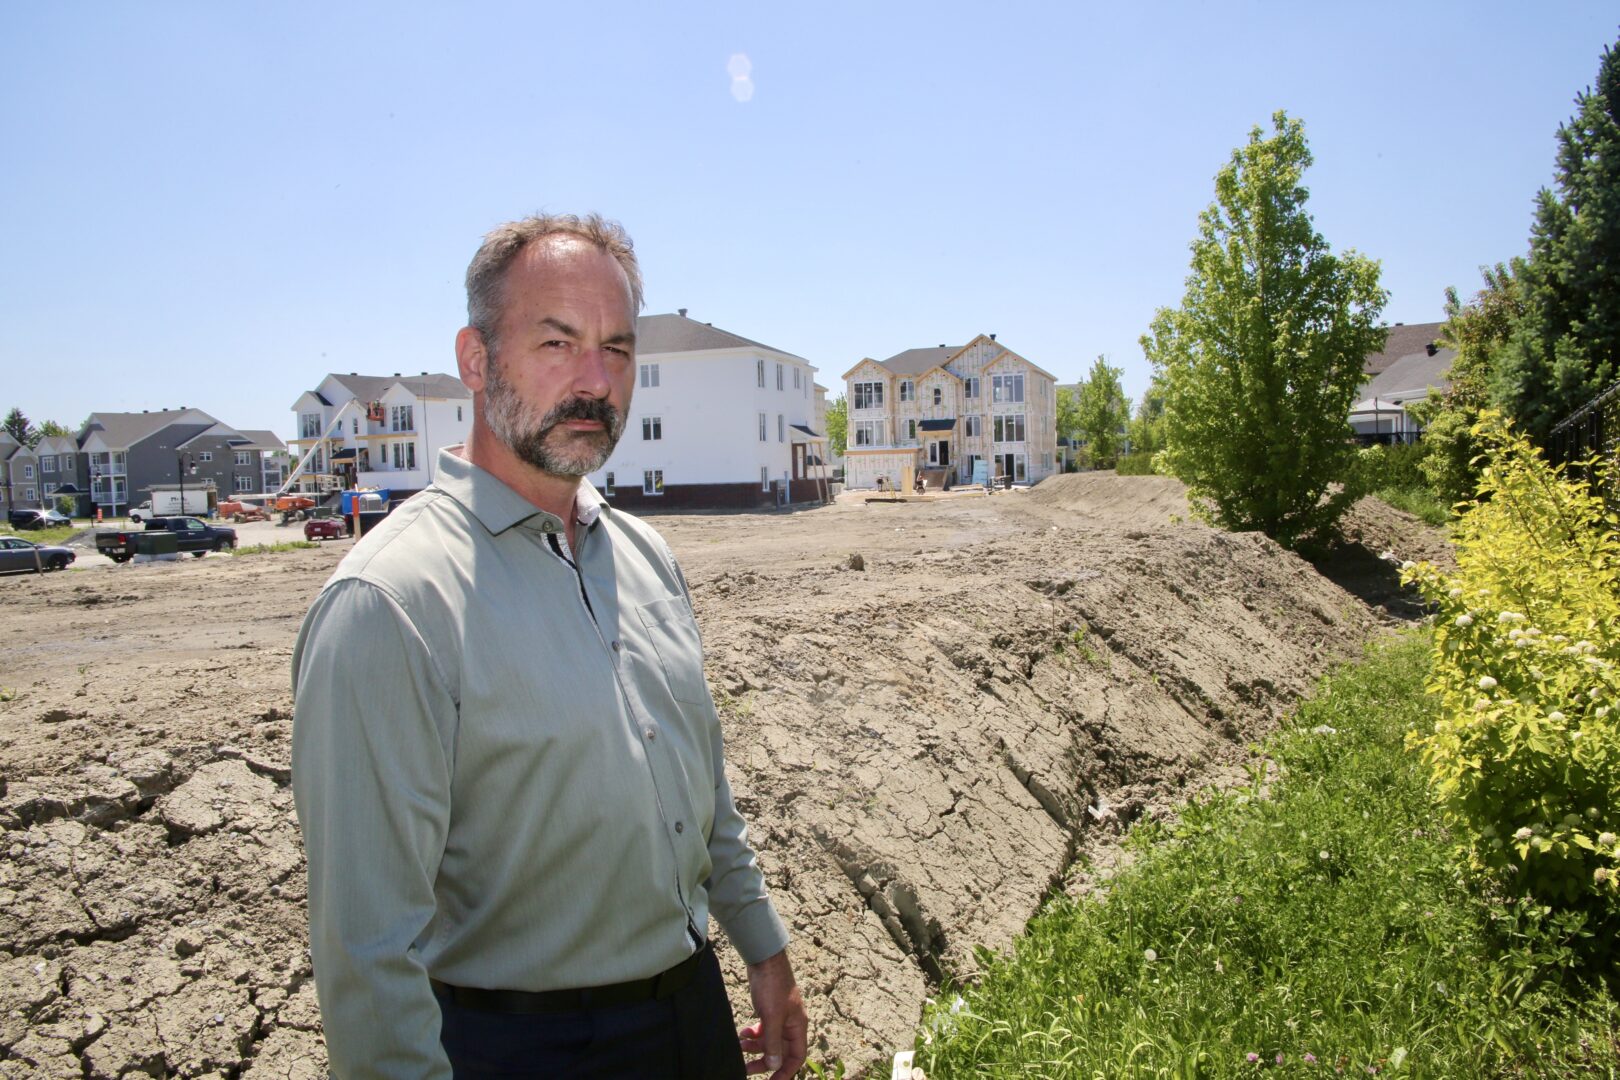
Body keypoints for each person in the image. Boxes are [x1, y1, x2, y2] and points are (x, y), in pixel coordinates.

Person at [291, 213, 807, 1079]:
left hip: (693, 1018)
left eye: (616, 348)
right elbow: (368, 952)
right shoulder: (391, 603)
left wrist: (764, 953)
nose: (594, 382)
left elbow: (702, 790)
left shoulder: (646, 559)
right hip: (524, 1048)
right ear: (476, 359)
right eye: (557, 343)